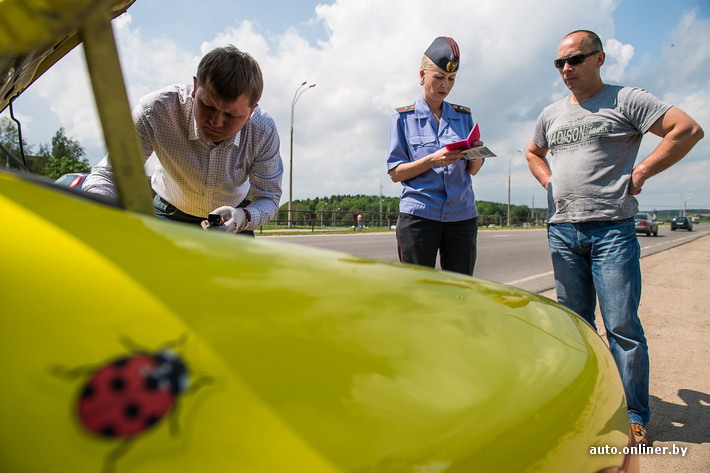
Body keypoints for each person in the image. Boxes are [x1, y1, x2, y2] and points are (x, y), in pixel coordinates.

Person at [525, 30, 703, 445]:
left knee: (622, 327)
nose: (566, 69)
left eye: (575, 60)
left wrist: (641, 172)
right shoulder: (551, 114)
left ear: (599, 58)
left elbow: (687, 129)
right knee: (575, 327)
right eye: (560, 63)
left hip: (611, 231)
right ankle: (585, 403)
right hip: (563, 232)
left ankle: (634, 414)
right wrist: (549, 181)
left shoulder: (627, 100)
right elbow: (533, 152)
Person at [83, 45, 283, 236]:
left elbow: (268, 197)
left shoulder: (262, 130)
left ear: (251, 112)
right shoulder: (156, 111)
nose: (216, 122)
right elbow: (110, 173)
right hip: (168, 213)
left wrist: (242, 217)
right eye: (208, 106)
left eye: (231, 115)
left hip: (233, 223)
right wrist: (102, 208)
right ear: (196, 88)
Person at [387, 36, 484, 275]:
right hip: (420, 216)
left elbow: (472, 170)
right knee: (419, 293)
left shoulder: (463, 117)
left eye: (451, 79)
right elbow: (395, 173)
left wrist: (476, 153)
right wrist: (432, 160)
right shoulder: (403, 119)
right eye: (439, 77)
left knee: (460, 290)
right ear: (422, 75)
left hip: (461, 216)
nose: (445, 85)